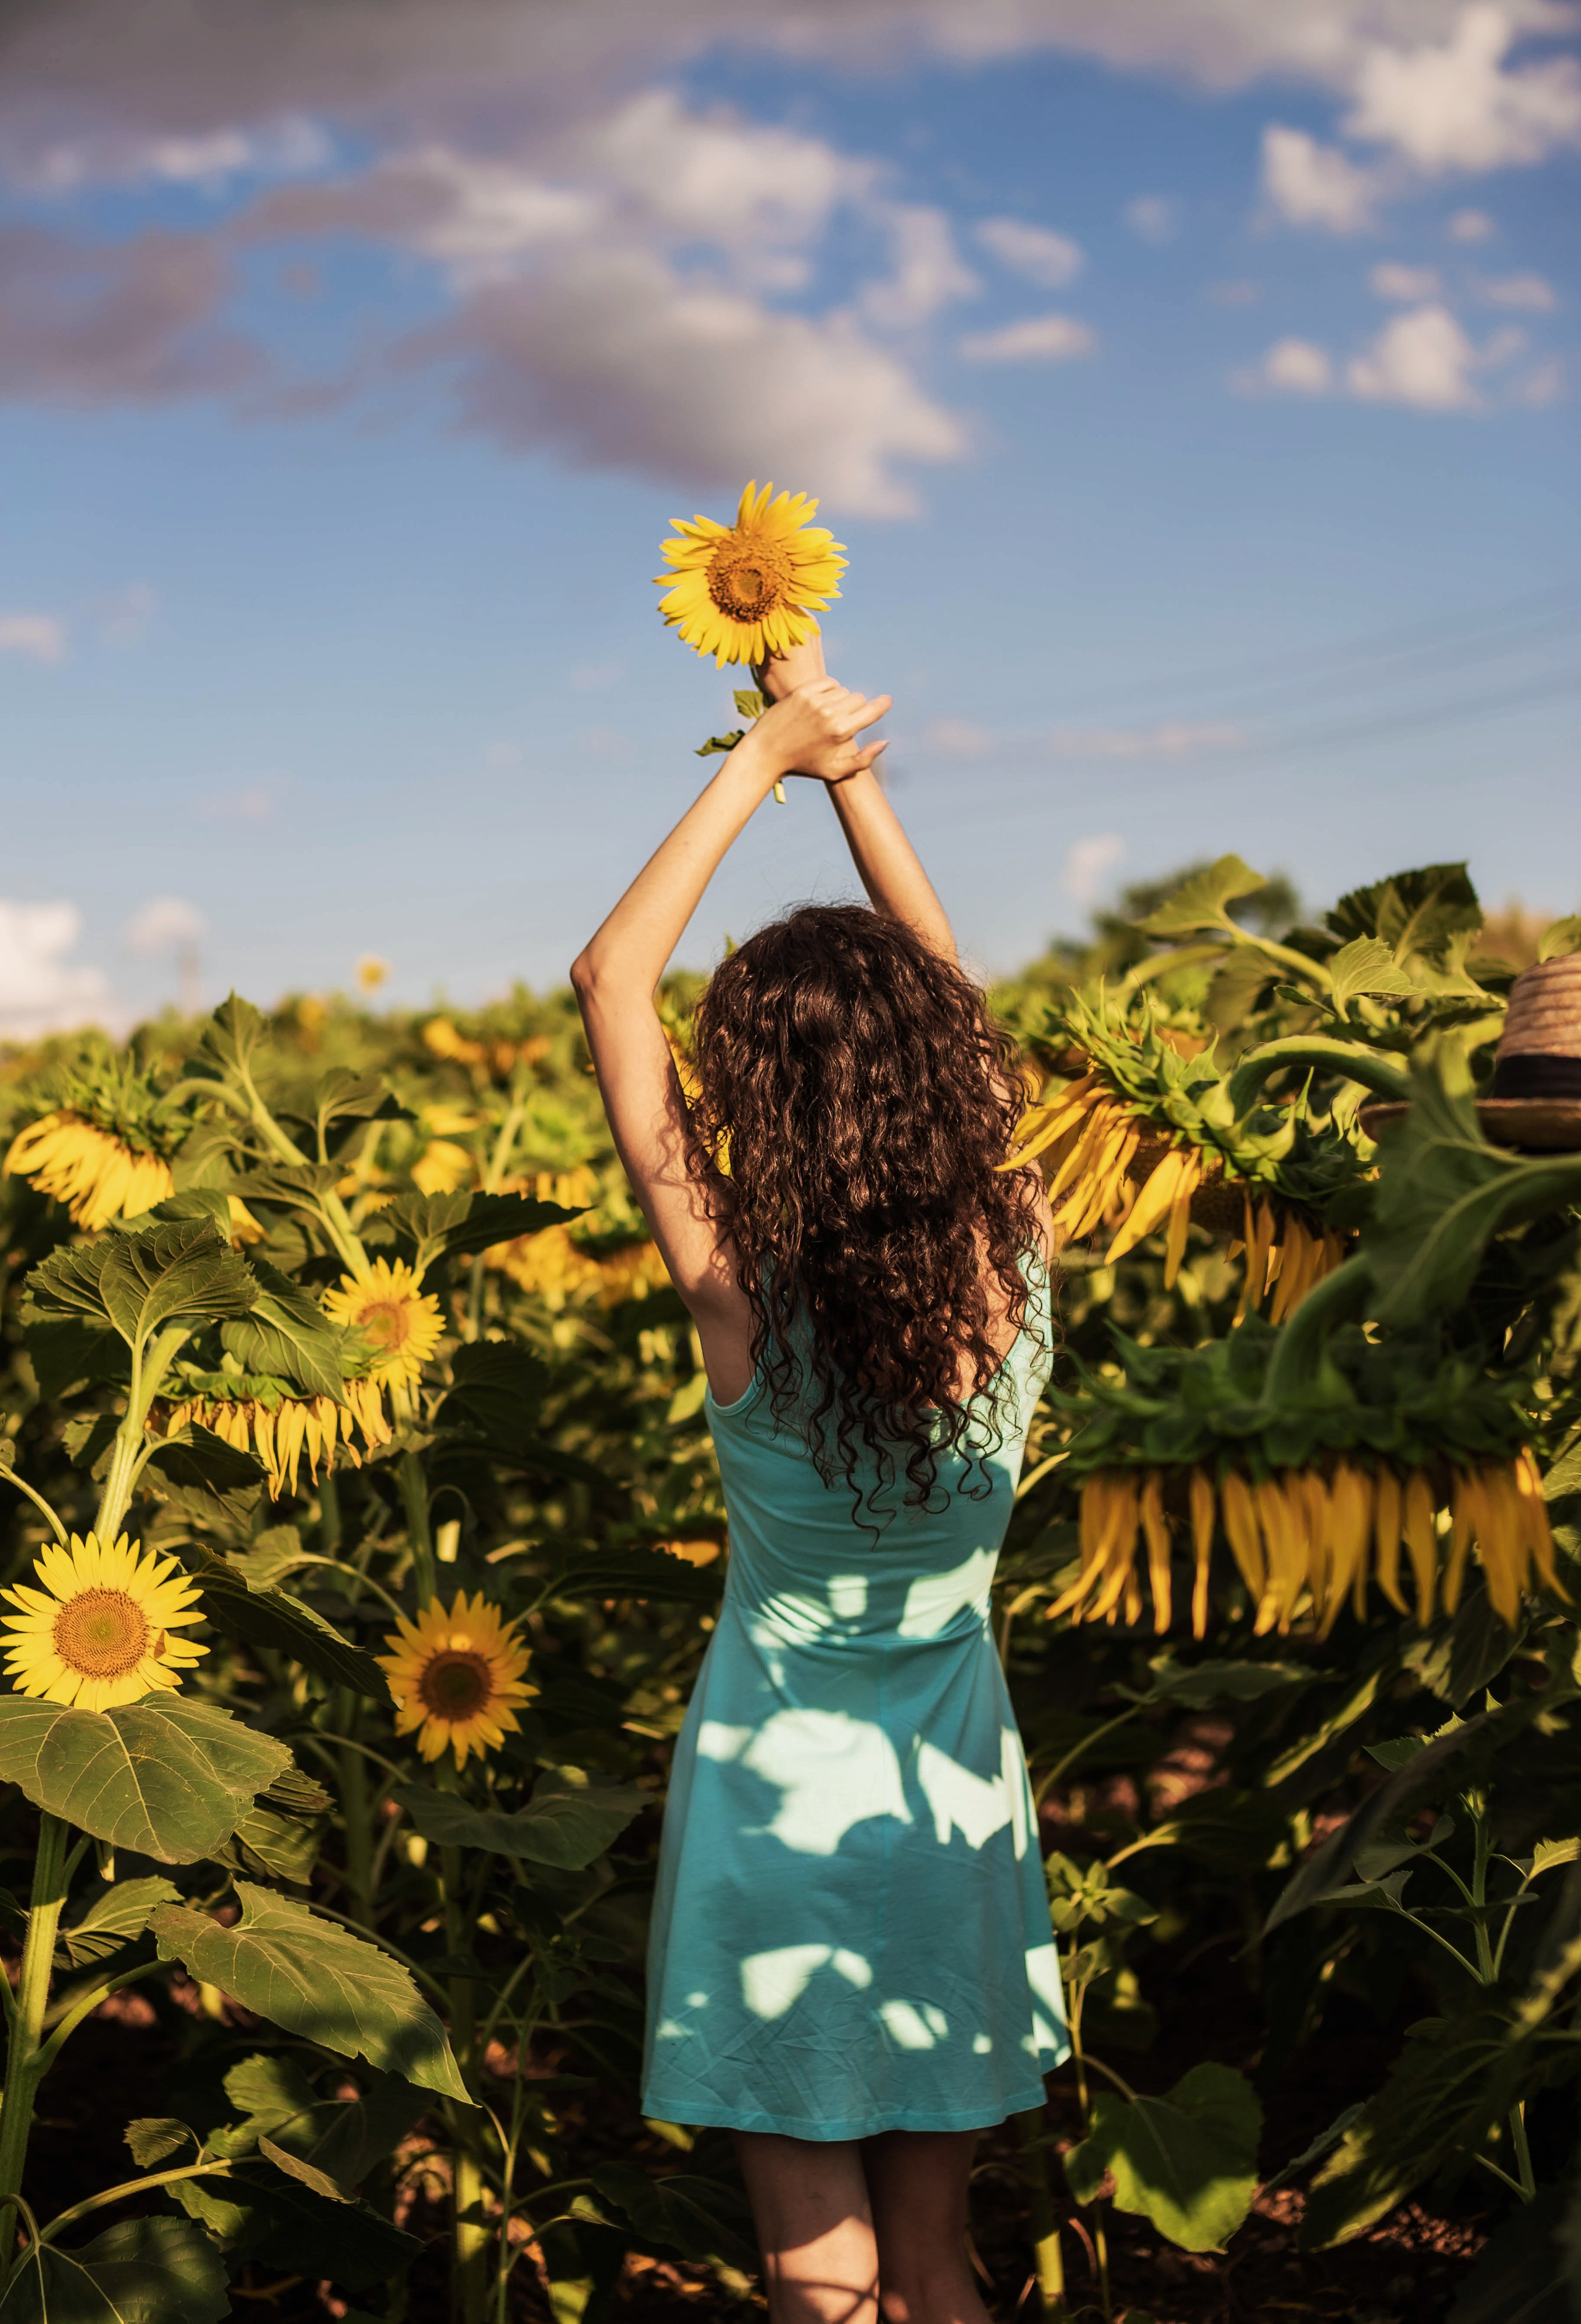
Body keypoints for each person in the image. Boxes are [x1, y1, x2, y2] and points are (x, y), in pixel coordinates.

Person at [571, 634, 1068, 2324]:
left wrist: (759, 760)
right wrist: (848, 777)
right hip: (956, 1823)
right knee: (935, 2270)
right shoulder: (1015, 1256)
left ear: (755, 1109)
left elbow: (607, 982)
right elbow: (963, 1008)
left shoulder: (738, 1291)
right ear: (944, 1075)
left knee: (817, 2277)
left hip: (774, 1828)